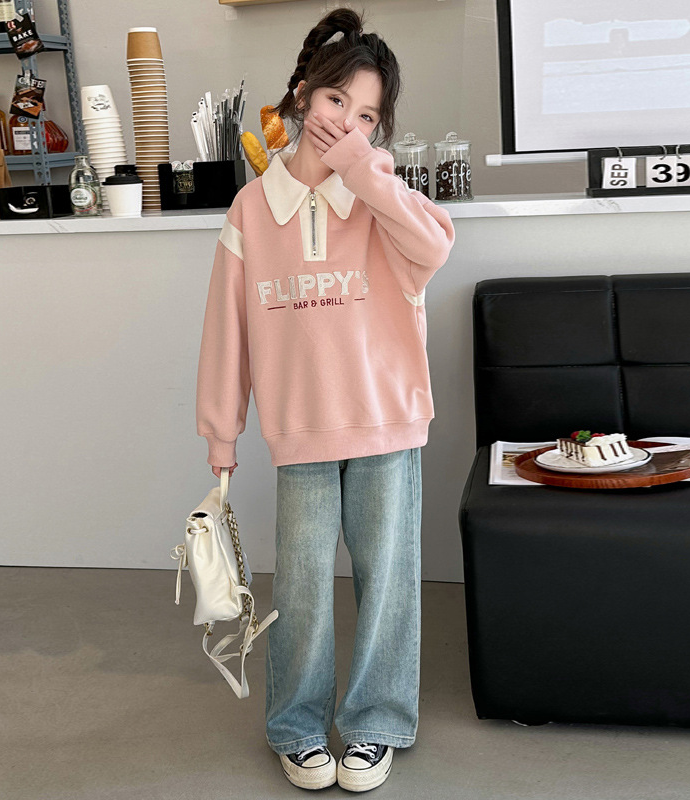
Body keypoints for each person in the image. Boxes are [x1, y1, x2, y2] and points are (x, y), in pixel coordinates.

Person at [196, 6, 455, 792]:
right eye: (338, 100)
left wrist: (366, 170)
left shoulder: (381, 199)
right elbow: (227, 328)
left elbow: (436, 246)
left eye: (368, 115)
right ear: (306, 93)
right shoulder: (252, 209)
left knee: (387, 585)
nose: (347, 121)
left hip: (387, 422)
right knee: (303, 588)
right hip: (301, 428)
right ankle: (297, 725)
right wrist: (221, 430)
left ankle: (376, 724)